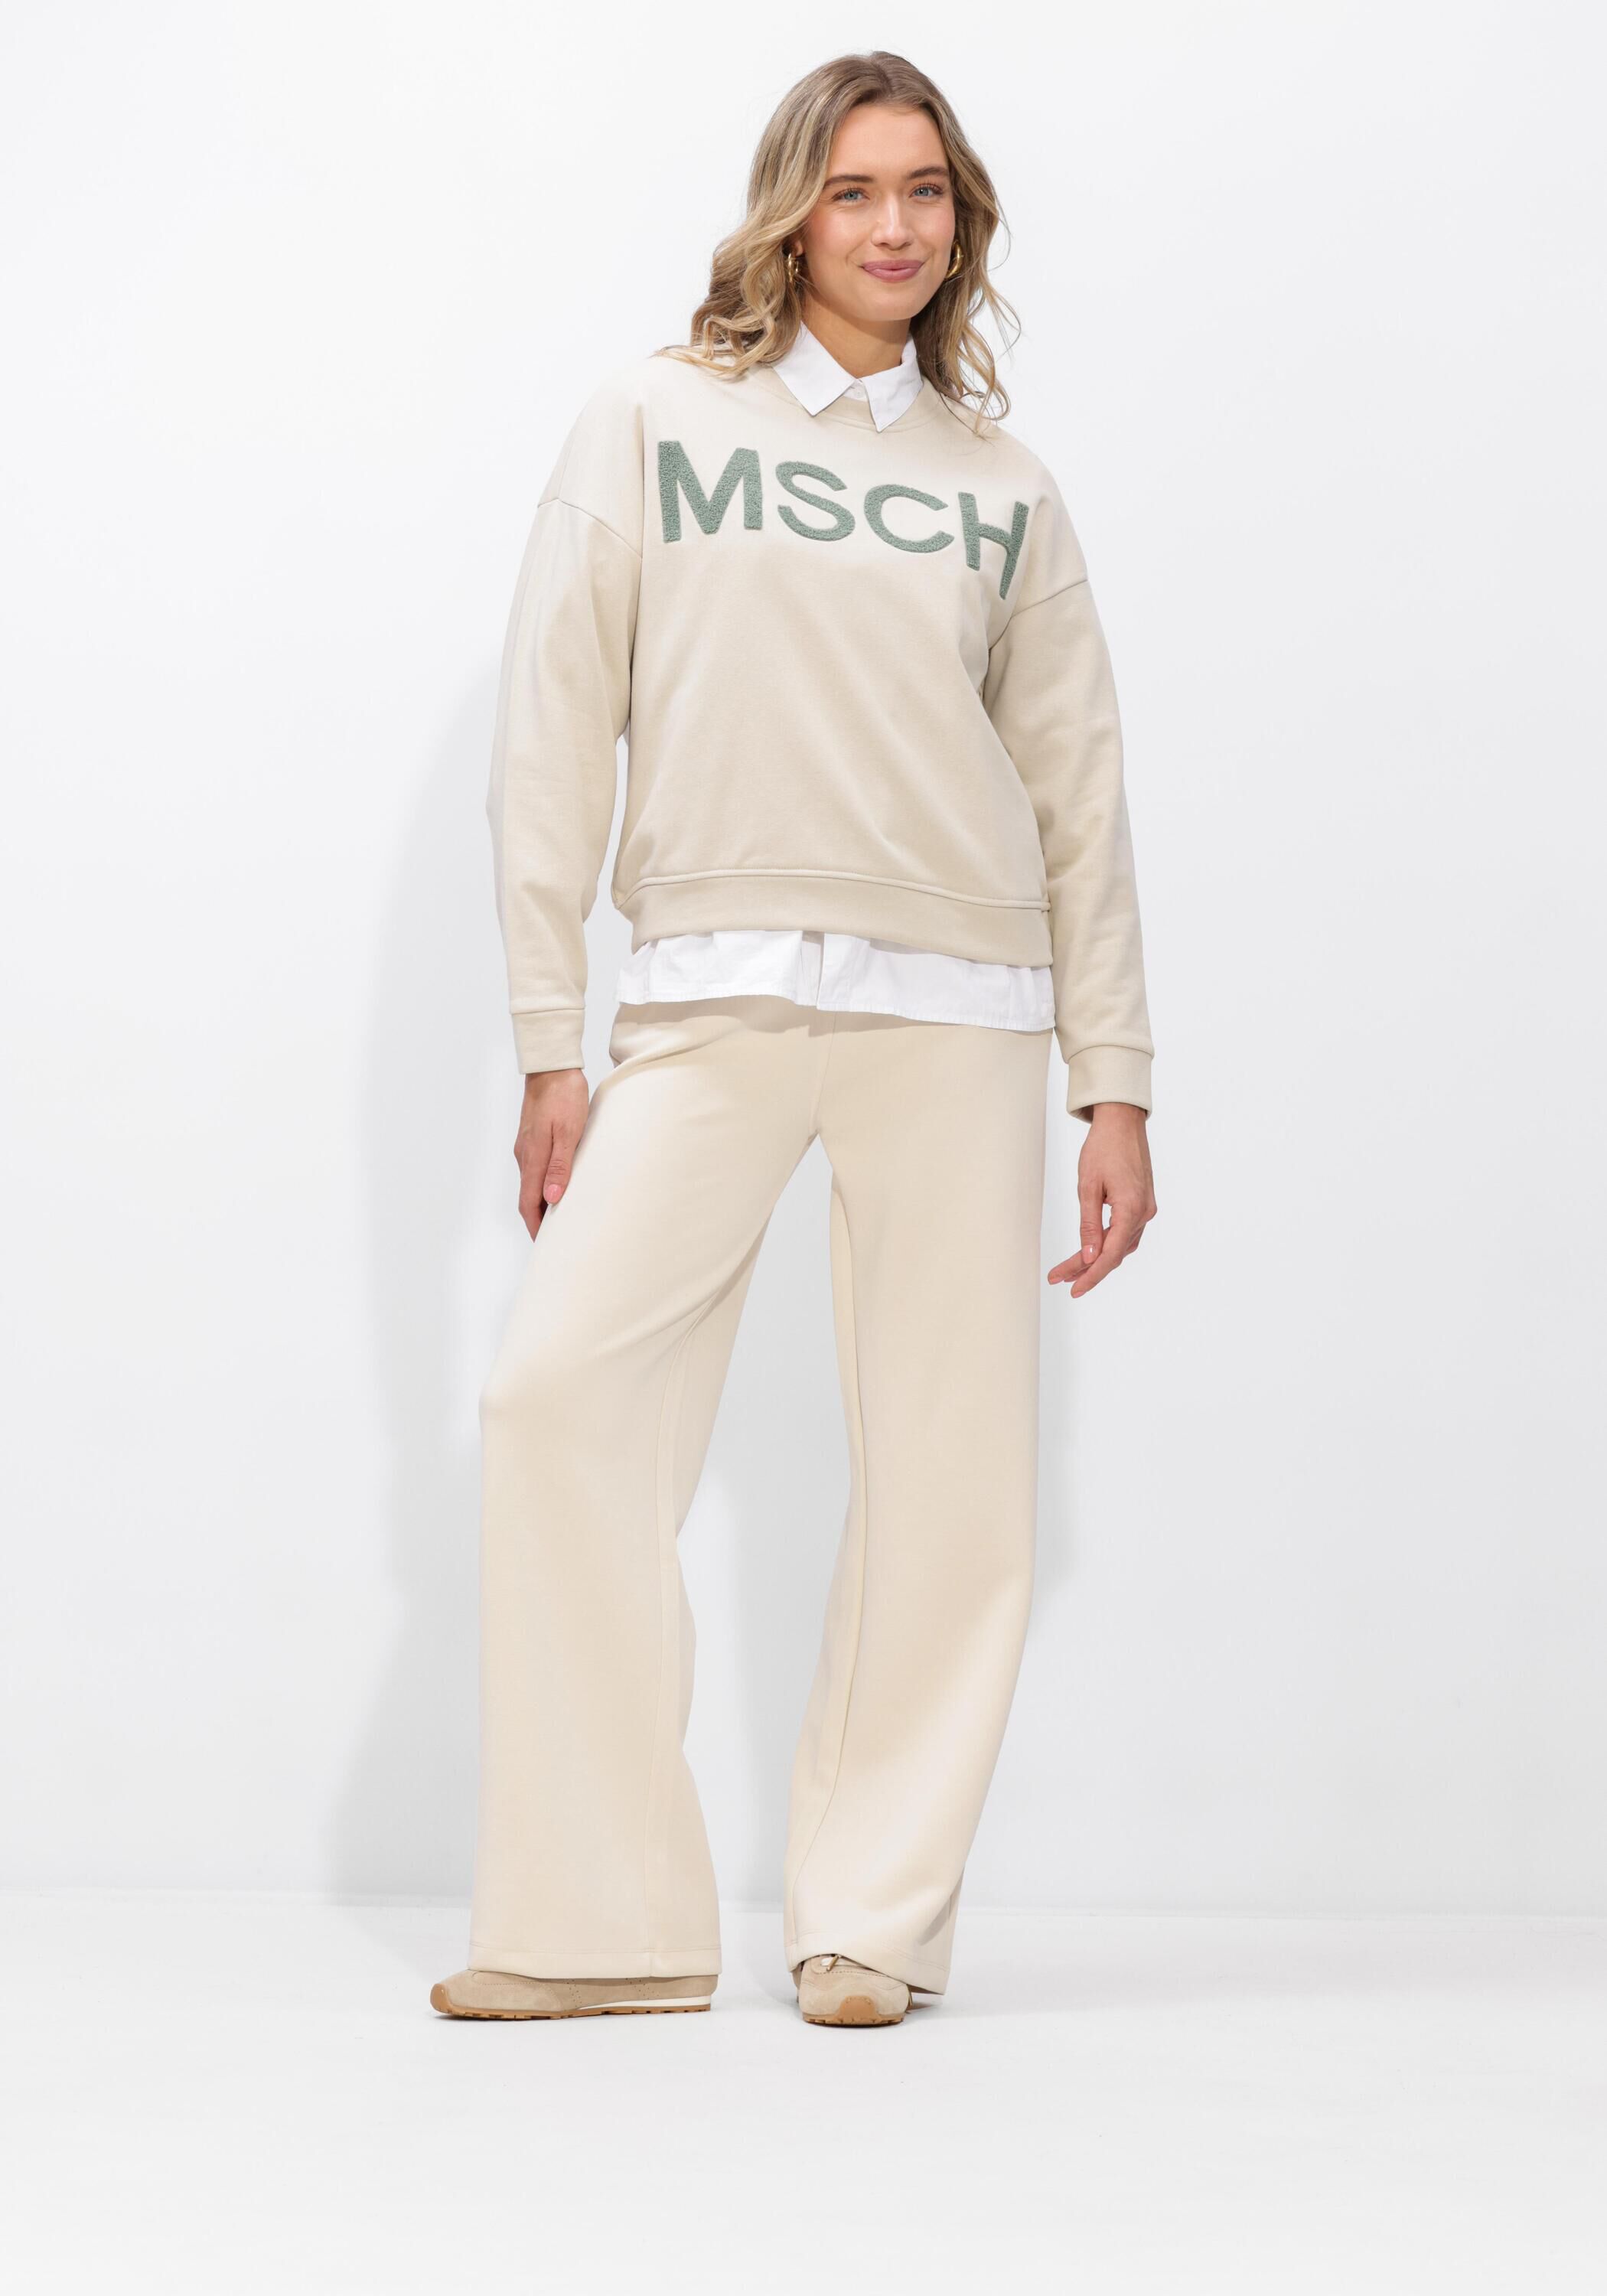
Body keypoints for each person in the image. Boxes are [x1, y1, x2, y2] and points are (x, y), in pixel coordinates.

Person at [431, 50, 1156, 2029]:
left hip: (960, 1014)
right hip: (712, 998)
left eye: (927, 192)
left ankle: (871, 1925)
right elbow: (550, 731)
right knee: (556, 1404)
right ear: (789, 211)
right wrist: (548, 1034)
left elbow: (1080, 796)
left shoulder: (1005, 490)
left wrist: (1113, 1080)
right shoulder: (654, 420)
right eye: (855, 191)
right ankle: (597, 1925)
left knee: (949, 1477)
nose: (895, 227)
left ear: (960, 219)